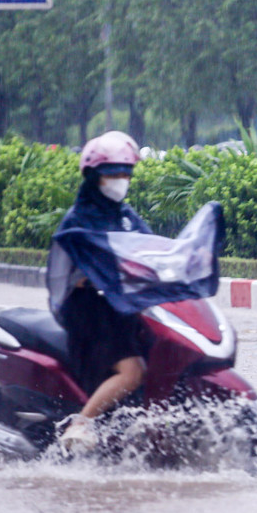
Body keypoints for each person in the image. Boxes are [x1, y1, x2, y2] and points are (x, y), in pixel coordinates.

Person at [50, 131, 152, 453]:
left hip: (119, 305)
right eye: (112, 173)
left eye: (126, 172)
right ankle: (81, 423)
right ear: (94, 177)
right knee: (134, 370)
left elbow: (152, 248)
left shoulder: (124, 216)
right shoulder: (78, 220)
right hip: (87, 309)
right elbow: (74, 273)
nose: (120, 179)